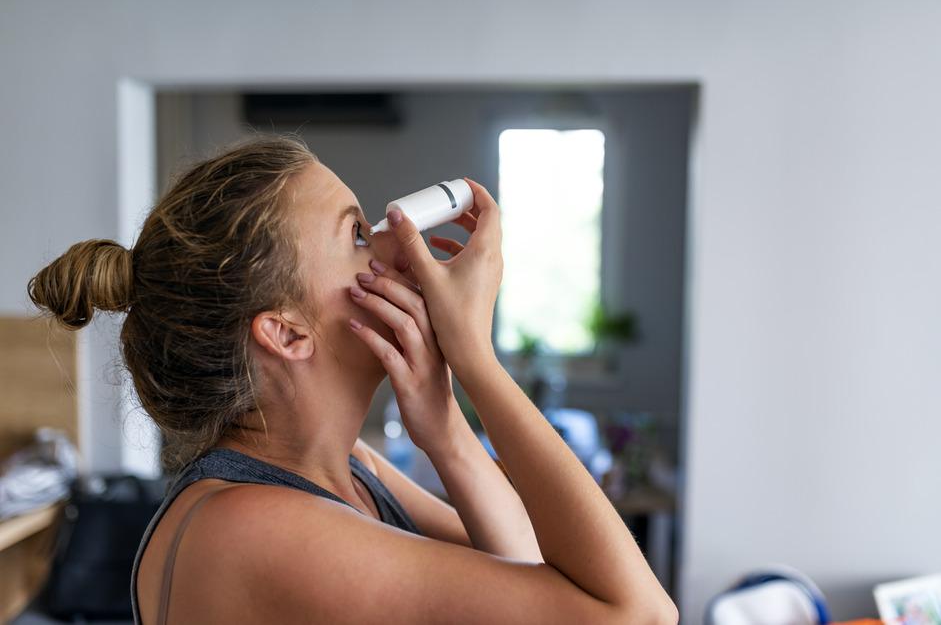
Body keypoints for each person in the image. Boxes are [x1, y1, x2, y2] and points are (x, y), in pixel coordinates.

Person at [28, 134, 677, 624]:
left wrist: (446, 430)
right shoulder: (255, 528)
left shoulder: (346, 468)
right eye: (360, 235)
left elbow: (530, 572)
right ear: (285, 332)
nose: (401, 245)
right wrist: (476, 359)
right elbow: (635, 615)